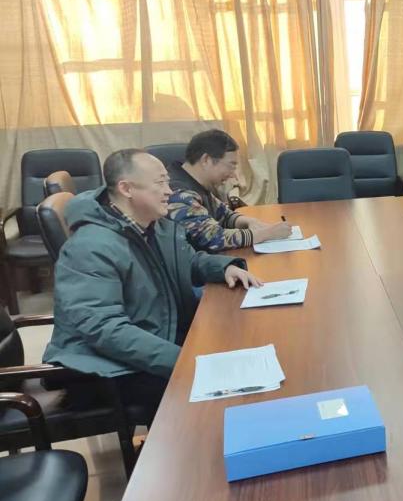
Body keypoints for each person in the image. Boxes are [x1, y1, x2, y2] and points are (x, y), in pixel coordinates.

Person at [44, 149, 262, 418]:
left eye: (167, 182)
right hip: (106, 368)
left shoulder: (151, 223)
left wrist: (224, 267)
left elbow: (187, 261)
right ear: (126, 189)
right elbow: (105, 329)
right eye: (160, 183)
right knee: (231, 388)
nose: (169, 191)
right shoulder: (90, 247)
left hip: (155, 335)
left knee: (238, 341)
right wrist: (183, 360)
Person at [167, 129, 292, 251]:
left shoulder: (196, 182)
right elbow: (213, 238)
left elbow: (222, 214)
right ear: (206, 160)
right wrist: (266, 234)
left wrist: (249, 222)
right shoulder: (179, 193)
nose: (233, 175)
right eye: (231, 165)